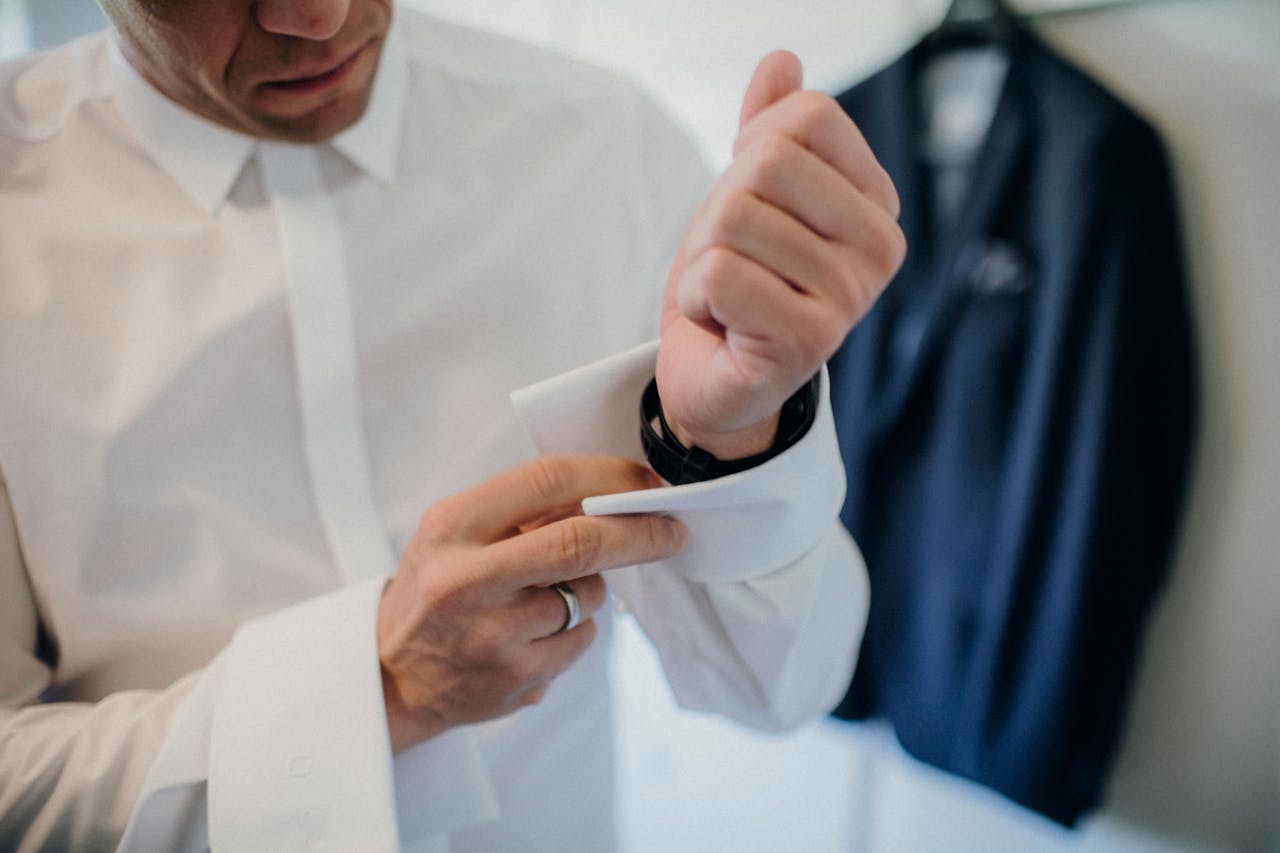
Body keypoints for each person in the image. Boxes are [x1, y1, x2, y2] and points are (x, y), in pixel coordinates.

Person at [0, 1, 904, 849]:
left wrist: (730, 443)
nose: (319, 17)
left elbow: (781, 690)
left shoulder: (606, 145)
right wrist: (373, 693)